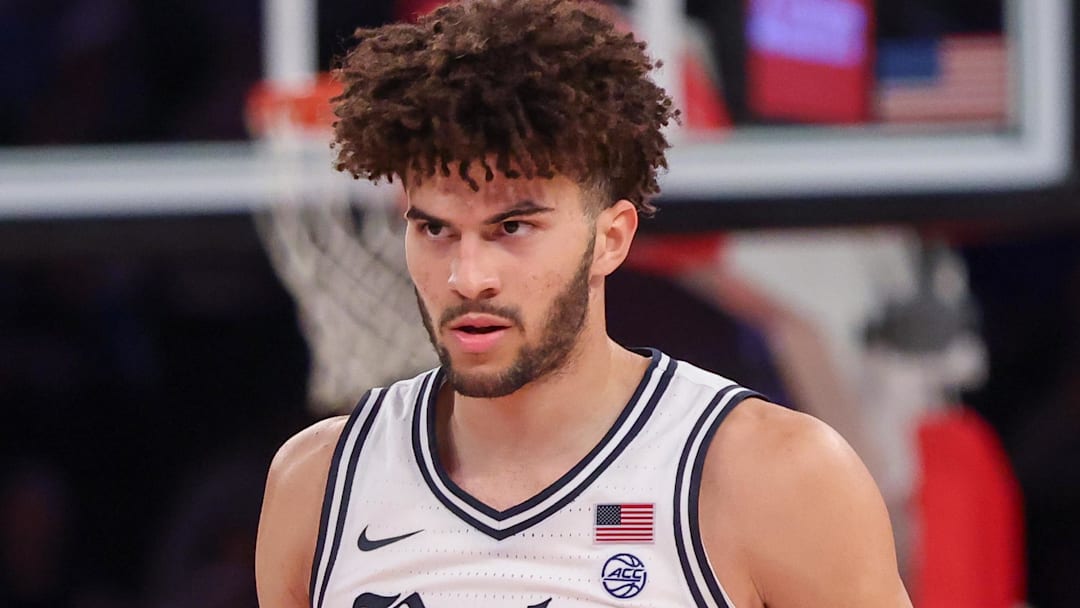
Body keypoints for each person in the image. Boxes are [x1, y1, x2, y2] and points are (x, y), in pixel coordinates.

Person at [255, 1, 913, 606]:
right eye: (434, 229)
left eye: (511, 228)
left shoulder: (771, 475)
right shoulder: (317, 483)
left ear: (611, 238)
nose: (467, 276)